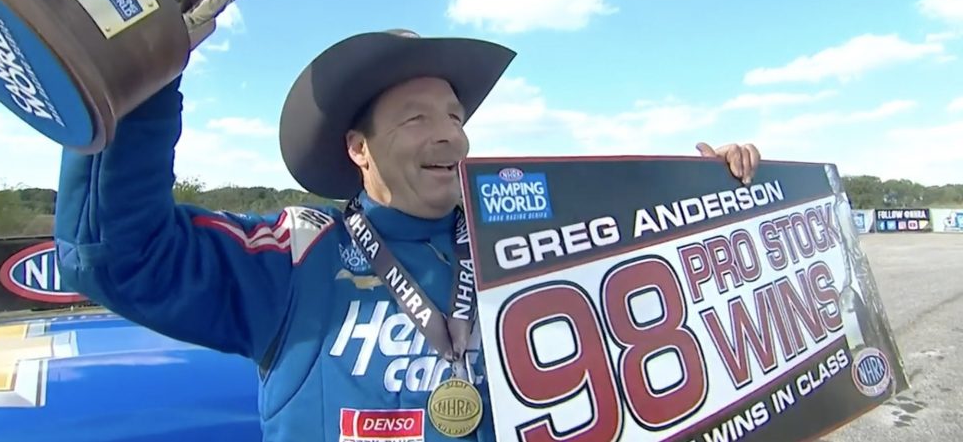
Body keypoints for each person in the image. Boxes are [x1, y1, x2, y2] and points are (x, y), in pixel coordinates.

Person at [54, 29, 761, 442]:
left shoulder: (533, 245)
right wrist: (137, 81)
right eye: (418, 118)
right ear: (358, 148)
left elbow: (679, 319)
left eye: (455, 114)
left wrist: (709, 202)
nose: (450, 132)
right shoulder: (296, 254)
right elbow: (120, 254)